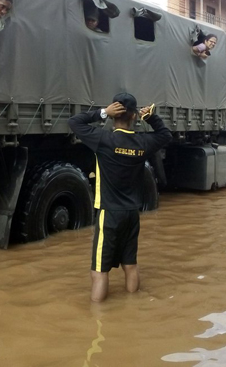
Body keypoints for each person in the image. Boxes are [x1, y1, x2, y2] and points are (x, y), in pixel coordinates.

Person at [68, 93, 172, 302]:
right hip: (132, 213)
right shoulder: (142, 142)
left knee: (99, 272)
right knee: (130, 265)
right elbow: (165, 136)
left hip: (109, 214)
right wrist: (151, 117)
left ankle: (98, 320)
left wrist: (103, 112)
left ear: (115, 114)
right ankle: (133, 309)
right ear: (134, 116)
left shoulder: (103, 139)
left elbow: (74, 122)